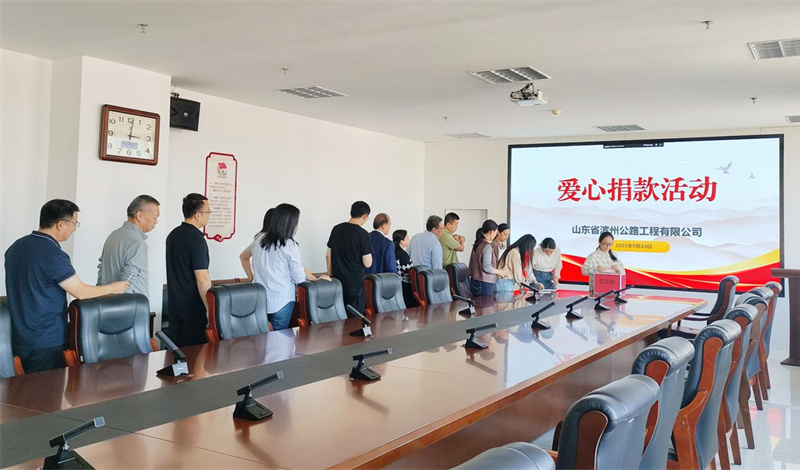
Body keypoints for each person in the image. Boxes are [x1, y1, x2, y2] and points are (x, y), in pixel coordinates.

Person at [4, 199, 128, 373]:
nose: (74, 229)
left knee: (25, 387)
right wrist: (114, 288)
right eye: (74, 223)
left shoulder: (16, 247)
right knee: (47, 389)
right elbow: (81, 292)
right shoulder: (52, 254)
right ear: (60, 224)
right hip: (46, 341)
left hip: (19, 337)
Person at [240, 204, 329, 330]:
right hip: (282, 299)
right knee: (279, 338)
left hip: (260, 299)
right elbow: (298, 276)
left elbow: (243, 256)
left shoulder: (259, 239)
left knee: (261, 337)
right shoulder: (289, 244)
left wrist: (251, 278)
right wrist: (316, 280)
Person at [166, 193, 212, 347]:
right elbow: (202, 279)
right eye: (208, 212)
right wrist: (210, 308)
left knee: (177, 353)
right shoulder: (196, 240)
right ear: (198, 215)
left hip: (174, 305)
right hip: (193, 309)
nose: (209, 215)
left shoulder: (173, 235)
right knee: (196, 354)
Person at [97, 195, 160, 297]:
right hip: (130, 304)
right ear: (139, 215)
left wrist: (100, 296)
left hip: (106, 301)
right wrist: (125, 304)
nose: (156, 221)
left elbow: (102, 271)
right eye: (155, 217)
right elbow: (128, 279)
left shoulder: (112, 236)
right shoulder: (138, 242)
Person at [326, 201, 373, 314]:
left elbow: (328, 255)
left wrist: (329, 274)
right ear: (365, 216)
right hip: (355, 284)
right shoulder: (363, 234)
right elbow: (367, 263)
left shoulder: (336, 229)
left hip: (337, 281)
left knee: (338, 315)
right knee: (354, 318)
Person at [468, 220, 510, 296]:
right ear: (491, 232)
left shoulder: (478, 244)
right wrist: (500, 272)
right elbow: (487, 267)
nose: (496, 235)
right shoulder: (487, 246)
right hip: (484, 283)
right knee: (486, 304)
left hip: (474, 281)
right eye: (495, 232)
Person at [393, 229, 417, 307]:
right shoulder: (402, 254)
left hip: (397, 283)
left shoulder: (393, 251)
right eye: (407, 238)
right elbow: (408, 270)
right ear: (401, 241)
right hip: (405, 284)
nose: (408, 240)